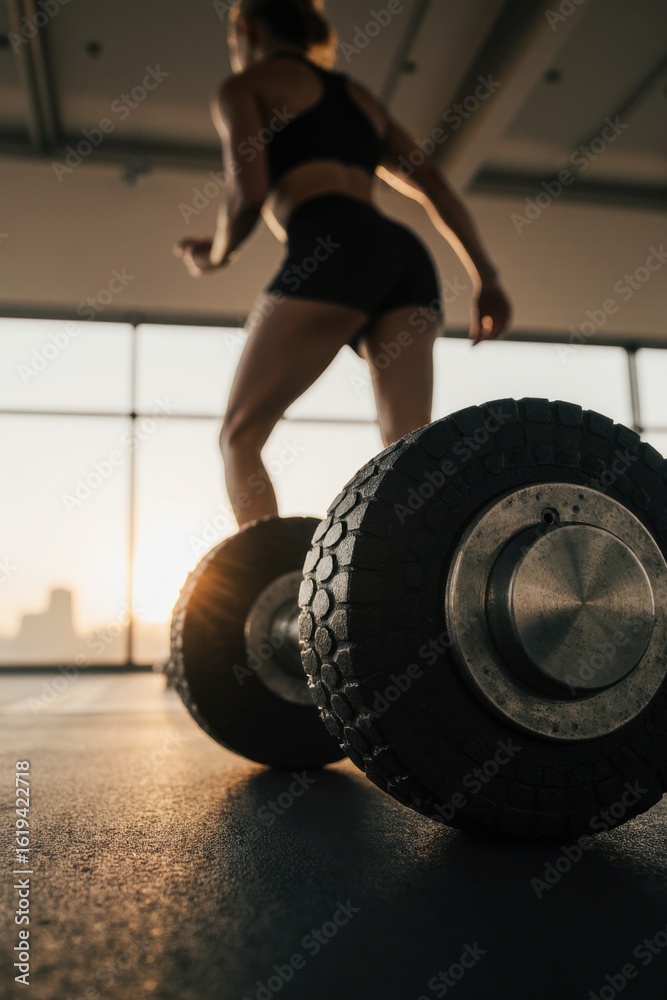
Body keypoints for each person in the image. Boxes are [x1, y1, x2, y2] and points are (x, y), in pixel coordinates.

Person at [174, 0, 512, 528]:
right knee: (409, 452)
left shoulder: (244, 87)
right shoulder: (357, 97)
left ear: (247, 27)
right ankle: (433, 575)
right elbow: (435, 187)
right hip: (403, 256)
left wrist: (213, 255)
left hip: (332, 245)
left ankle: (272, 593)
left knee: (239, 437)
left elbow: (249, 192)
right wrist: (486, 278)